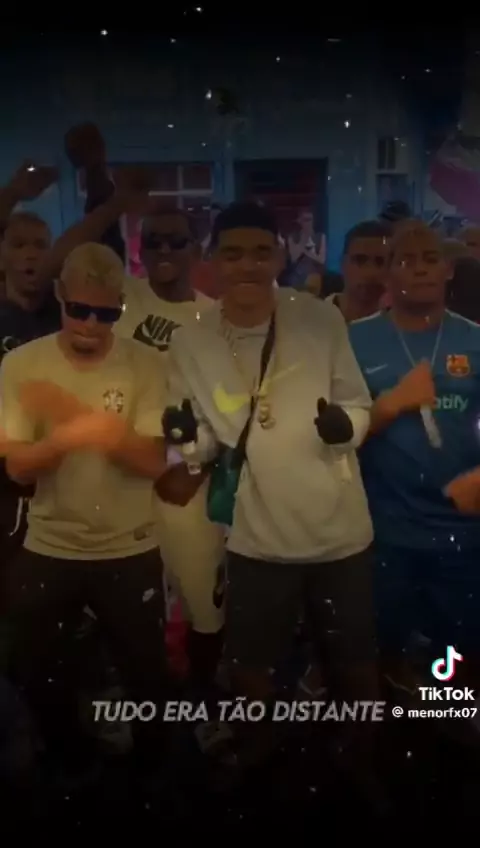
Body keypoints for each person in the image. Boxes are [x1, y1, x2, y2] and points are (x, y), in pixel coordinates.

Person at [165, 202, 380, 795]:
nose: (248, 265)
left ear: (281, 256)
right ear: (212, 260)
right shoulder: (191, 340)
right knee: (250, 663)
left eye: (261, 252)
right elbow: (204, 442)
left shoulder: (318, 318)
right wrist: (184, 437)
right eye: (233, 253)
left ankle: (363, 754)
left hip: (339, 529)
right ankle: (259, 745)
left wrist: (346, 427)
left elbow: (358, 402)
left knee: (355, 658)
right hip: (256, 533)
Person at [2, 243, 169, 779]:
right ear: (59, 295)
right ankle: (65, 764)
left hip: (130, 544)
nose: (92, 325)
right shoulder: (22, 364)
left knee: (147, 675)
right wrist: (75, 435)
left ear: (121, 305)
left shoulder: (147, 364)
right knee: (41, 672)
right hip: (50, 543)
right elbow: (17, 469)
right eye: (79, 310)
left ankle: (155, 776)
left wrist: (88, 426)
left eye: (106, 313)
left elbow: (154, 463)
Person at [349, 225, 480, 690]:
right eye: (406, 260)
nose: (420, 268)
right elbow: (334, 438)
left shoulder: (474, 340)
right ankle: (393, 709)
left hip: (462, 532)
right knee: (384, 649)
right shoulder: (354, 341)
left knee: (458, 655)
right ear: (388, 273)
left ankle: (450, 710)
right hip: (383, 531)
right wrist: (390, 406)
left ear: (448, 269)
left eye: (429, 258)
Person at [116, 208, 225, 690]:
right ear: (139, 249)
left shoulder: (214, 318)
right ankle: (148, 703)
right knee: (134, 606)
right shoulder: (122, 299)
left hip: (186, 480)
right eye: (153, 241)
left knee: (204, 602)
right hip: (123, 475)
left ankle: (202, 700)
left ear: (194, 250)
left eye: (175, 241)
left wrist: (196, 466)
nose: (163, 250)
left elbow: (232, 402)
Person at [326, 220, 391, 322]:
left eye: (381, 262)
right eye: (360, 260)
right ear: (343, 263)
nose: (370, 272)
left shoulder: (403, 327)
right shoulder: (308, 318)